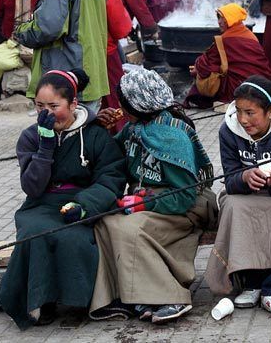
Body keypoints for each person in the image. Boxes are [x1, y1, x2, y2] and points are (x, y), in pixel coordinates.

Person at [0, 69, 125, 329]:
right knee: (36, 233)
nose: (46, 113)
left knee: (72, 237)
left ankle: (78, 302)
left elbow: (110, 178)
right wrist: (45, 145)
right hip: (41, 203)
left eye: (54, 106)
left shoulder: (95, 134)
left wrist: (85, 205)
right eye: (39, 106)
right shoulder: (30, 137)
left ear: (73, 104)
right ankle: (42, 302)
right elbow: (32, 187)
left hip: (83, 202)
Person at [90, 68, 215, 324]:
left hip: (182, 207)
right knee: (105, 222)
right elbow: (110, 157)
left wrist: (143, 203)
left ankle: (171, 297)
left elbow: (184, 196)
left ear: (134, 105)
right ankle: (125, 295)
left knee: (128, 229)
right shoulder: (136, 128)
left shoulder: (172, 137)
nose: (120, 107)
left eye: (122, 102)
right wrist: (100, 128)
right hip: (148, 202)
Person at [205, 76, 271, 318]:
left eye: (251, 113)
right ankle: (251, 281)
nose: (243, 120)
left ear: (270, 111)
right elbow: (231, 179)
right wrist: (244, 177)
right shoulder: (229, 131)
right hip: (245, 192)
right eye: (239, 111)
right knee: (234, 207)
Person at [86, 0, 133, 125]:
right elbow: (114, 11)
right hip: (105, 45)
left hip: (77, 48)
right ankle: (118, 137)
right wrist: (124, 30)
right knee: (113, 96)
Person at [184, 3, 271, 109]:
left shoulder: (225, 39)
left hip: (238, 88)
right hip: (261, 85)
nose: (219, 22)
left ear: (231, 20)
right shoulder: (250, 35)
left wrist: (197, 69)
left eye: (223, 19)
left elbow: (206, 63)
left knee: (207, 71)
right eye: (219, 18)